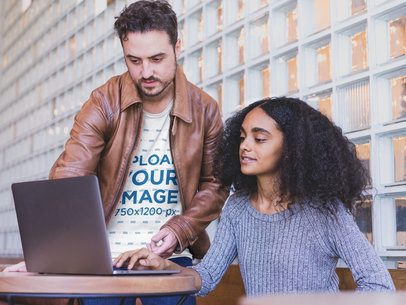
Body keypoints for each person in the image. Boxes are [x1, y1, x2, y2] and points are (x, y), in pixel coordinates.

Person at [4, 1, 228, 304]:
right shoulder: (103, 102)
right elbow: (70, 175)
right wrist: (48, 256)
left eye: (157, 58)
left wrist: (179, 230)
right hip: (102, 259)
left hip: (171, 258)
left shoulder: (205, 109)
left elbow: (215, 185)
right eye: (134, 60)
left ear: (178, 47)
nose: (146, 71)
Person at [114, 97, 395, 297]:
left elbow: (378, 285)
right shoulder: (237, 209)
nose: (245, 146)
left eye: (259, 139)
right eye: (243, 137)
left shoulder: (325, 212)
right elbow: (207, 277)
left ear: (292, 148)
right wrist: (162, 265)